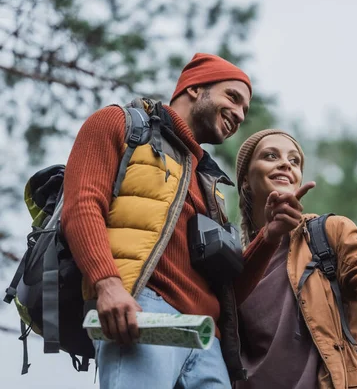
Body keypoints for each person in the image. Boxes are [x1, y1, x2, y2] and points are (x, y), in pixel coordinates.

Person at [61, 54, 304, 388]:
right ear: (194, 88)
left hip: (207, 341)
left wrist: (270, 235)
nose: (239, 114)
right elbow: (82, 206)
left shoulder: (209, 184)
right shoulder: (117, 123)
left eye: (245, 110)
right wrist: (108, 284)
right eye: (232, 97)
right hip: (143, 314)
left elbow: (228, 291)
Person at [234, 129, 357, 388]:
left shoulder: (328, 234)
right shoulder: (234, 265)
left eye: (294, 161)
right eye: (271, 156)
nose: (285, 163)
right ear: (246, 181)